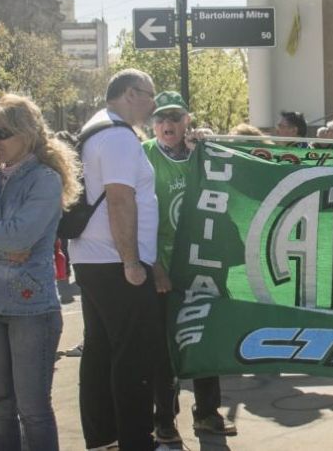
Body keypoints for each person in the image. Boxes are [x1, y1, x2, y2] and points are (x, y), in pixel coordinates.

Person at [0, 94, 81, 451]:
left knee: (33, 411)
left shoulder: (44, 179)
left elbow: (21, 235)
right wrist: (0, 240)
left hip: (31, 309)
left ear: (26, 133)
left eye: (2, 133)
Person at [69, 68, 161, 451]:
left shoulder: (95, 129)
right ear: (127, 93)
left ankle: (103, 437)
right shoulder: (119, 137)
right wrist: (132, 261)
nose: (152, 104)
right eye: (148, 95)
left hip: (92, 257)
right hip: (116, 261)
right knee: (133, 355)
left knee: (100, 351)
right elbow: (120, 199)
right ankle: (137, 440)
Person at [142, 91, 234, 445]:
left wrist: (210, 148)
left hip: (203, 264)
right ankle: (164, 419)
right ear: (154, 124)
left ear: (187, 121)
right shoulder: (144, 155)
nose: (168, 125)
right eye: (161, 119)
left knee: (203, 341)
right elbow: (139, 217)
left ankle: (208, 414)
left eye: (175, 118)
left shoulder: (203, 152)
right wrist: (155, 267)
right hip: (163, 267)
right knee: (165, 351)